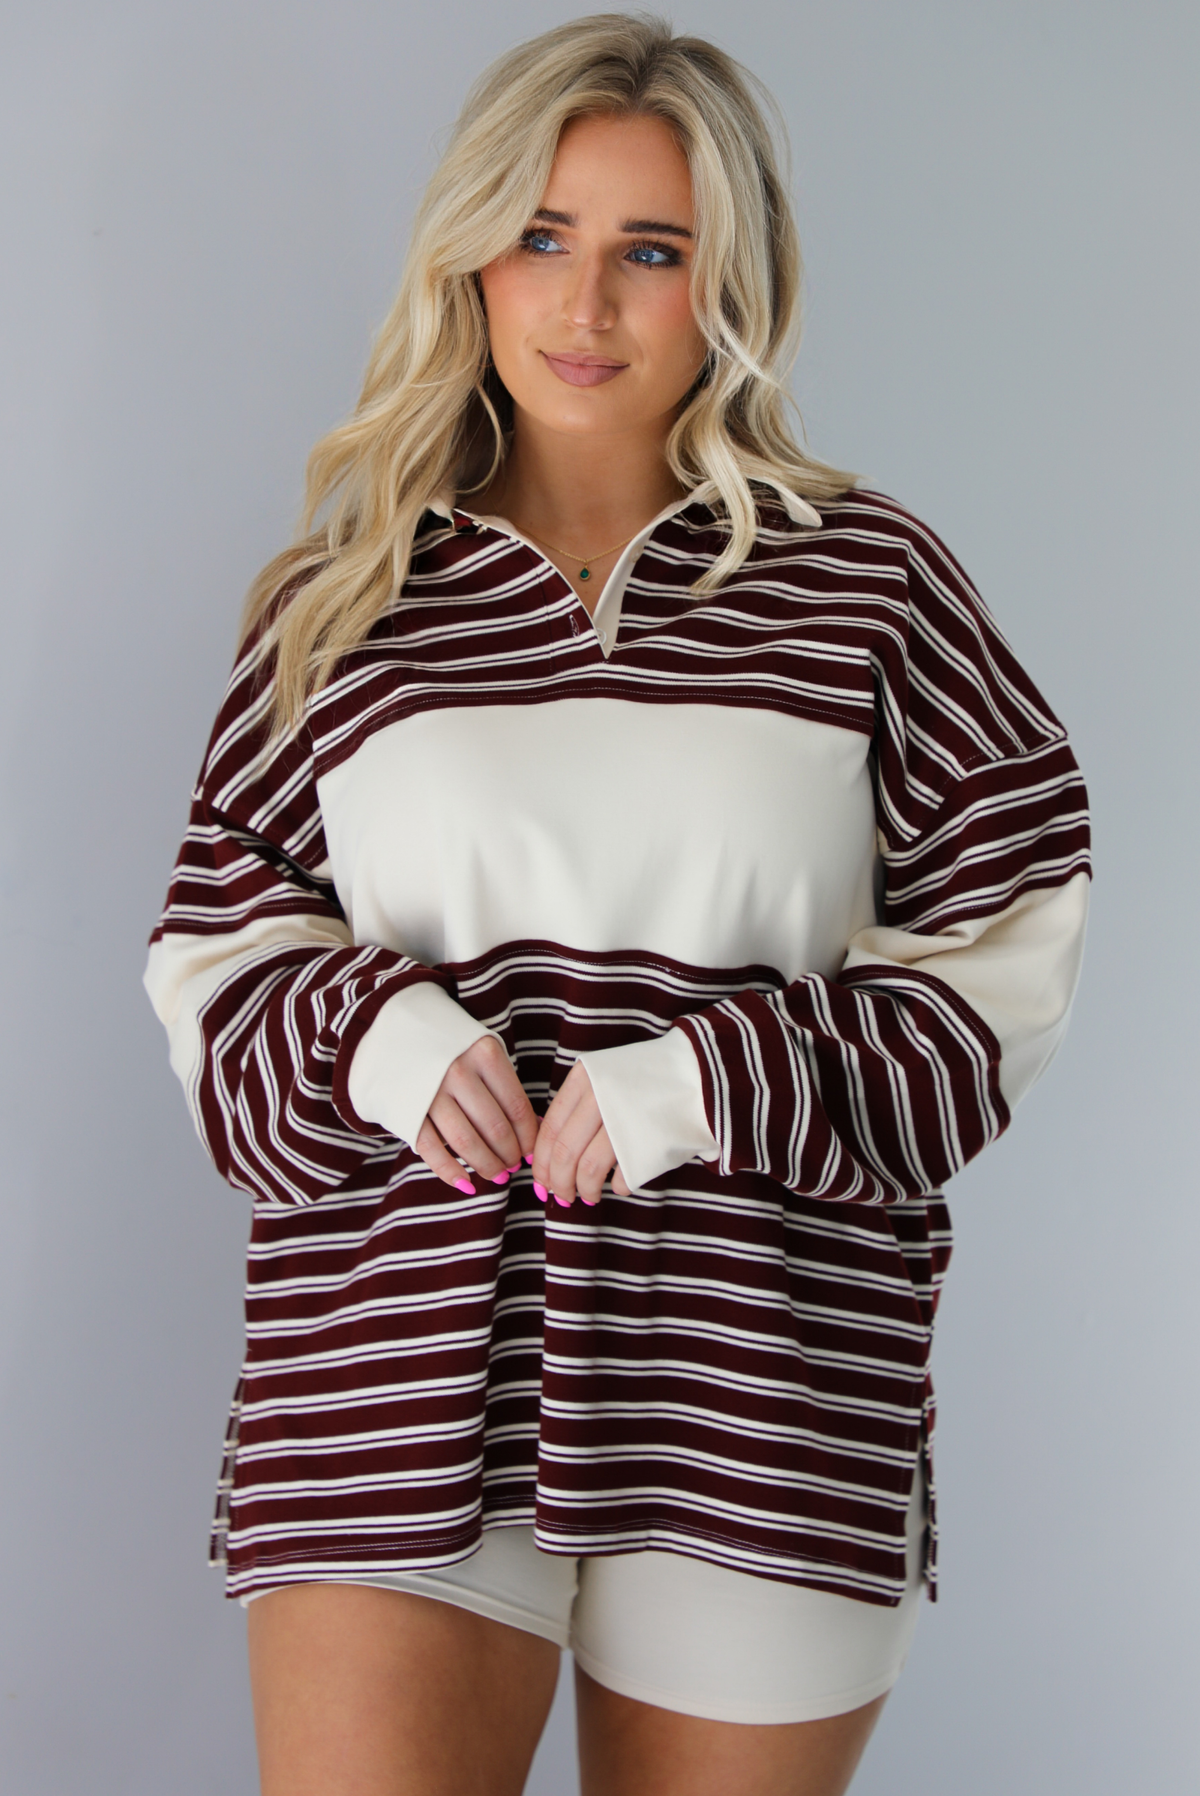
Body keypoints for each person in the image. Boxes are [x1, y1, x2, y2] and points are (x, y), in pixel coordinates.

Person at [144, 14, 1090, 1795]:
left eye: (650, 251)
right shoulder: (343, 601)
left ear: (732, 278)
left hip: (762, 1386)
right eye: (543, 237)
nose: (585, 305)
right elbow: (214, 963)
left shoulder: (867, 585)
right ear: (472, 259)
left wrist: (706, 1085)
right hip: (394, 1371)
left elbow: (1004, 960)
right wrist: (378, 1036)